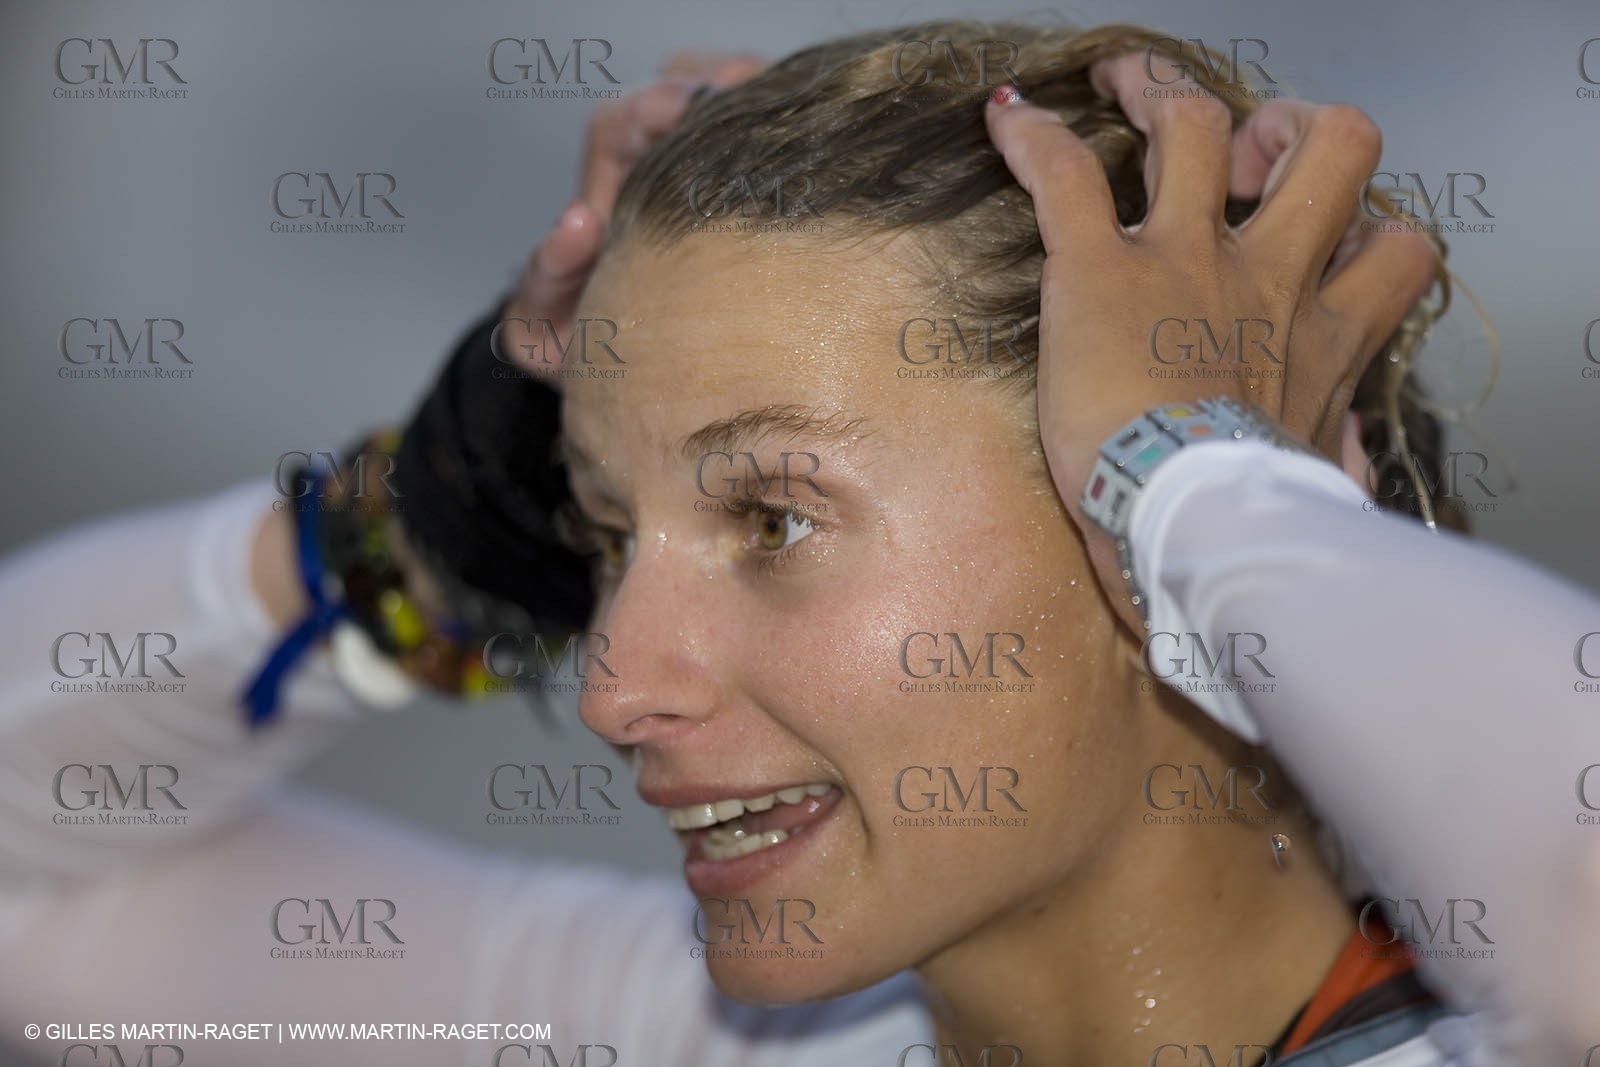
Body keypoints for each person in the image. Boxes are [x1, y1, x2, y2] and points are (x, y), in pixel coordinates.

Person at [2, 18, 1593, 1067]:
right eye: (604, 536)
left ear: (1163, 544)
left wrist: (1199, 477)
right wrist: (432, 536)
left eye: (771, 515)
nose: (618, 682)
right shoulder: (710, 1033)